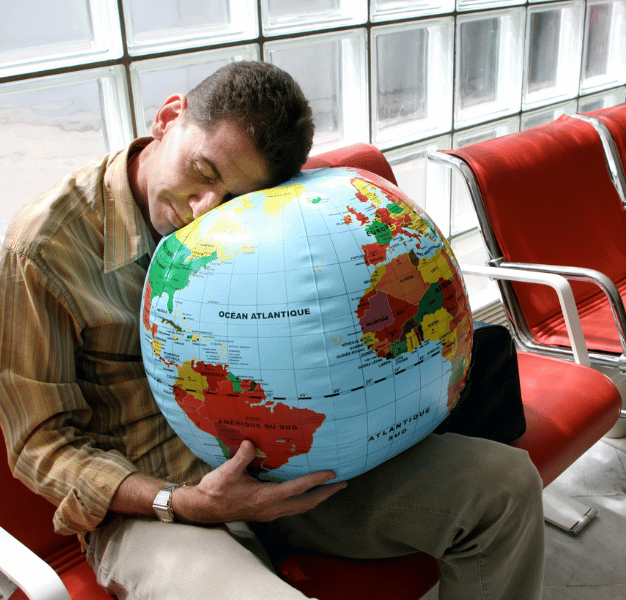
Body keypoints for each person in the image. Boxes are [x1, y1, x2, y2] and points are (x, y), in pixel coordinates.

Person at [0, 61, 544, 599]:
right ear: (169, 117)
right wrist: (184, 501)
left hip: (290, 466)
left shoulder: (266, 212)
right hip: (157, 504)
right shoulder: (44, 248)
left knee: (504, 489)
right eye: (205, 171)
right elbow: (39, 445)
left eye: (233, 197)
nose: (203, 209)